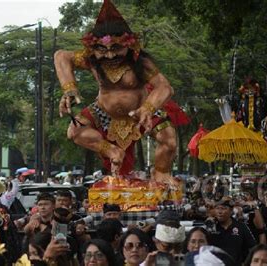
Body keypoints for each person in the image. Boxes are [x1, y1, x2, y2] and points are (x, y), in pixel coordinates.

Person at [54, 0, 188, 184]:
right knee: (75, 131)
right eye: (102, 49)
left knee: (169, 140)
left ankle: (161, 175)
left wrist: (148, 108)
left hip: (141, 110)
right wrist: (69, 89)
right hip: (103, 112)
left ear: (128, 45)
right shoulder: (90, 60)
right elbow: (61, 56)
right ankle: (112, 152)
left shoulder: (140, 62)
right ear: (93, 48)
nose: (110, 55)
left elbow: (165, 87)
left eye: (116, 48)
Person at [209, 197, 256, 265]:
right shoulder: (211, 227)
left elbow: (253, 247)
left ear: (231, 211)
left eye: (223, 208)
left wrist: (245, 263)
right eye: (217, 208)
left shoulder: (241, 227)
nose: (219, 212)